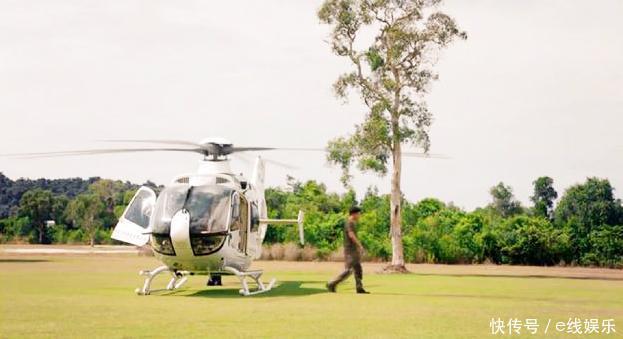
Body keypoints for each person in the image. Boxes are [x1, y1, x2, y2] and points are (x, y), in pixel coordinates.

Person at [326, 206, 369, 294]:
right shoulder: (349, 223)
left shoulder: (352, 223)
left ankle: (359, 287)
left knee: (358, 268)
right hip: (350, 250)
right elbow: (351, 235)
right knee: (349, 270)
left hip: (353, 250)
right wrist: (360, 245)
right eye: (359, 213)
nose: (359, 215)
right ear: (354, 213)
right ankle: (332, 283)